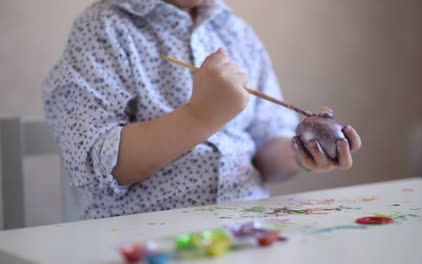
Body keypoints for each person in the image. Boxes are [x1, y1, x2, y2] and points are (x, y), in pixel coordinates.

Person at [43, 0, 361, 219]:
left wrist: (301, 154)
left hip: (245, 230)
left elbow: (266, 153)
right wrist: (201, 116)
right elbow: (102, 166)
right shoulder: (104, 30)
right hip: (139, 238)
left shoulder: (236, 32)